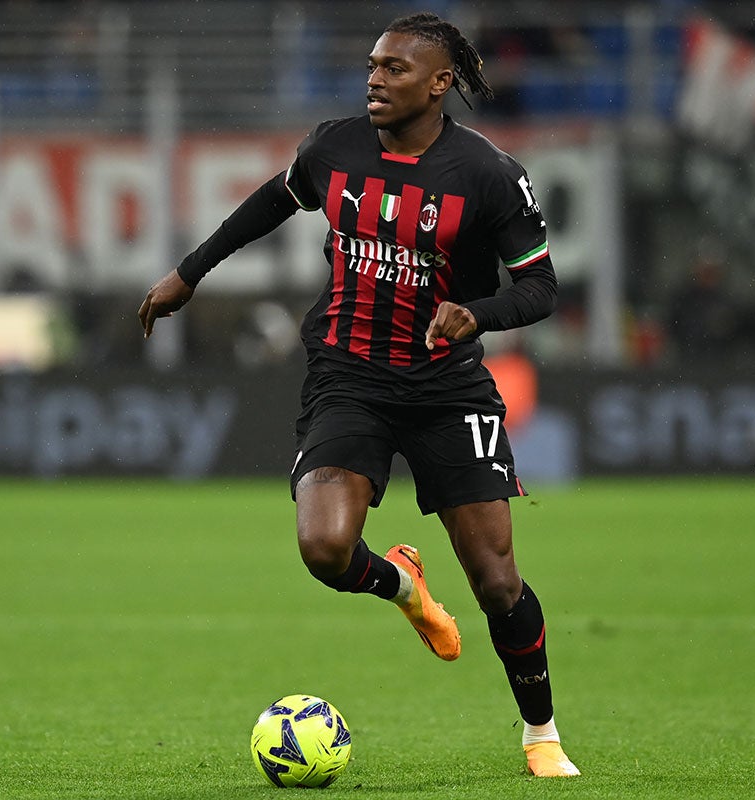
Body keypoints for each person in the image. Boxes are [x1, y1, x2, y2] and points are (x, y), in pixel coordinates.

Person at [138, 12, 577, 778]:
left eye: (395, 68)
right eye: (372, 65)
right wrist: (189, 272)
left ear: (441, 83)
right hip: (350, 376)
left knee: (498, 582)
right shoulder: (333, 146)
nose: (375, 78)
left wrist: (478, 313)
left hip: (448, 387)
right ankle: (402, 584)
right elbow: (274, 200)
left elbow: (540, 285)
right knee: (324, 548)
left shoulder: (487, 174)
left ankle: (541, 733)